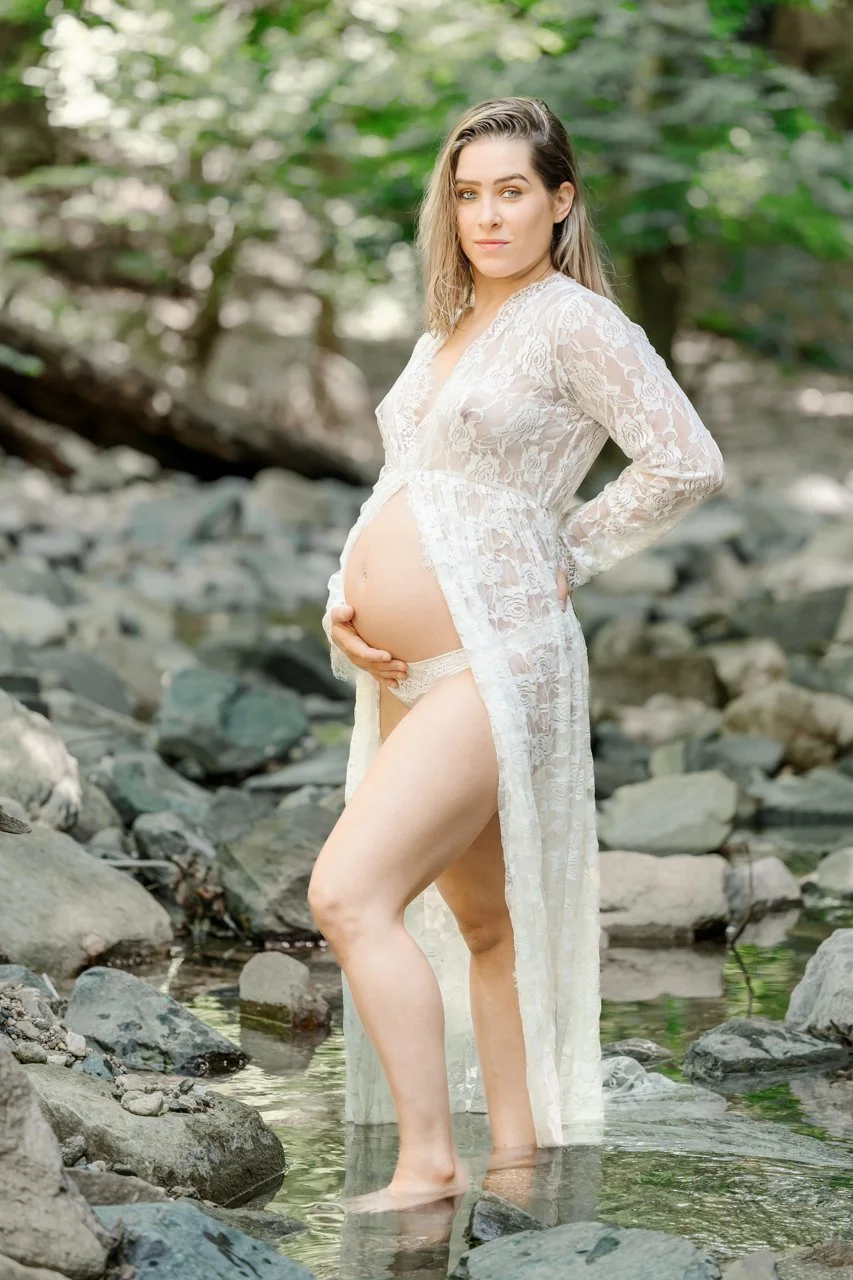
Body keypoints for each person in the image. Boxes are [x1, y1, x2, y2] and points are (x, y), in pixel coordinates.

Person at [309, 96, 725, 1215]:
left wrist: (567, 544)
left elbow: (684, 458)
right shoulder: (441, 332)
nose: (485, 214)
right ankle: (518, 1164)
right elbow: (405, 489)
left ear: (559, 201)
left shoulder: (572, 321)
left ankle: (427, 1162)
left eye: (509, 191)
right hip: (408, 669)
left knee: (347, 893)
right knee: (483, 925)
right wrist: (342, 601)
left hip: (501, 652)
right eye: (466, 192)